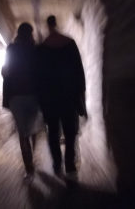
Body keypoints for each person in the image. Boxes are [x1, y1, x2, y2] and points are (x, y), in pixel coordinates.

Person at [37, 15, 87, 178]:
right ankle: (70, 166)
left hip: (50, 99)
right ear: (56, 24)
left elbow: (38, 78)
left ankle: (57, 164)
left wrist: (41, 101)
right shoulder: (69, 43)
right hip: (69, 96)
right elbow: (79, 72)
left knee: (53, 133)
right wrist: (80, 96)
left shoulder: (41, 49)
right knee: (70, 132)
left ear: (47, 26)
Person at [2, 23, 43, 181]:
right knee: (32, 128)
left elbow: (6, 70)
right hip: (33, 95)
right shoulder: (36, 50)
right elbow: (41, 72)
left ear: (18, 33)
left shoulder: (11, 49)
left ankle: (29, 168)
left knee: (22, 132)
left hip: (16, 96)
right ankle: (33, 153)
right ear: (31, 34)